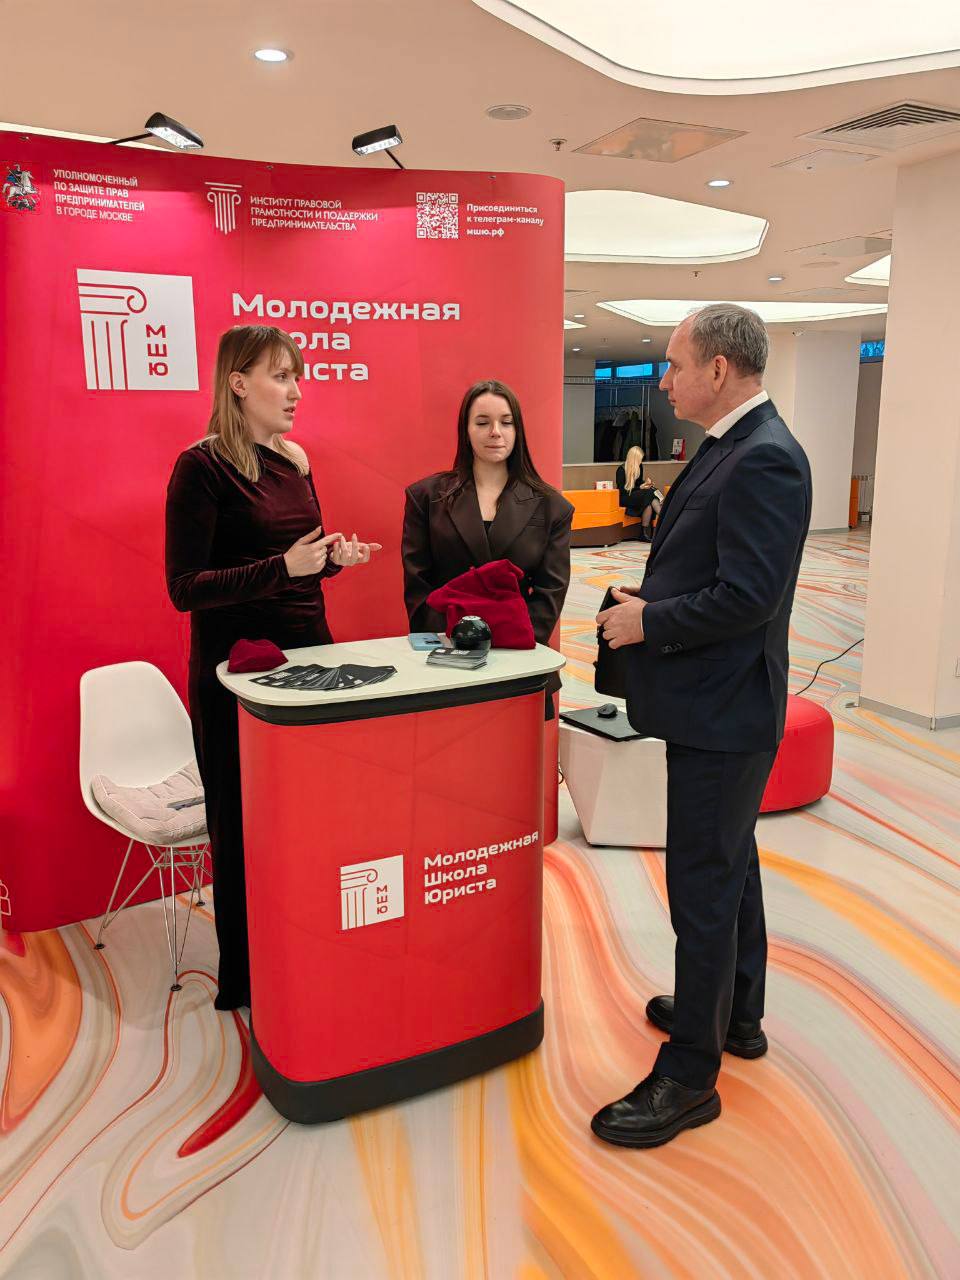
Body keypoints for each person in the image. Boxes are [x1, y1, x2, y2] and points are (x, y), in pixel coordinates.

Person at [592, 304, 811, 1148]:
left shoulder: (766, 458)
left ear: (719, 369)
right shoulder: (731, 446)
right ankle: (735, 1015)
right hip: (714, 701)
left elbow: (748, 597)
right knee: (730, 865)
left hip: (726, 709)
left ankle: (689, 1076)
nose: (664, 379)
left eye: (675, 363)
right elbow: (712, 566)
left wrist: (650, 621)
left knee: (703, 886)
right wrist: (652, 597)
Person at [165, 325, 381, 1010]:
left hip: (311, 662)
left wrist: (330, 560)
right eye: (280, 377)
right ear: (238, 384)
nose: (295, 392)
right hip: (237, 676)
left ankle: (310, 952)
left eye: (296, 377)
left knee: (312, 821)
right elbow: (184, 588)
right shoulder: (201, 468)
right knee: (243, 826)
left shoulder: (296, 461)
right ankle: (251, 979)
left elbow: (299, 567)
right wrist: (280, 567)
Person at [402, 380, 573, 707]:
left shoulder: (551, 506)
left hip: (520, 660)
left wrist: (514, 642)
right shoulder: (426, 497)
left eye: (506, 422)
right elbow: (418, 586)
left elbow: (550, 592)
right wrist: (454, 641)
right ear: (466, 430)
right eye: (482, 422)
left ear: (517, 429)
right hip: (444, 658)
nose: (495, 432)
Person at [616, 445, 661, 541]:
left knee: (649, 501)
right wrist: (640, 487)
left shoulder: (639, 467)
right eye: (639, 459)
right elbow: (622, 491)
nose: (641, 461)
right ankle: (664, 516)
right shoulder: (621, 470)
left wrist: (646, 483)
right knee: (649, 493)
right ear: (634, 458)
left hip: (636, 494)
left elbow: (639, 483)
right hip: (625, 497)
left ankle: (644, 534)